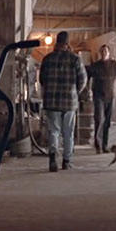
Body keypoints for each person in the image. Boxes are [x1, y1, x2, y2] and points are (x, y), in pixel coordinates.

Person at [39, 31, 87, 172]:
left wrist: (49, 90)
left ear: (56, 42)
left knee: (53, 130)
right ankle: (66, 161)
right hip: (69, 102)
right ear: (67, 44)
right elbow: (83, 79)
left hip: (51, 102)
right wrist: (75, 92)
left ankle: (53, 157)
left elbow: (42, 79)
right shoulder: (75, 59)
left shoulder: (47, 59)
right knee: (68, 132)